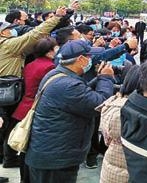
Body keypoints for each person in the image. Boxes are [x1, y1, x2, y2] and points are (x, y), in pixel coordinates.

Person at [25, 40, 116, 183]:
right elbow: (100, 104)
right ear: (81, 59)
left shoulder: (57, 74)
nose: (91, 61)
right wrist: (106, 78)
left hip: (50, 152)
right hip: (56, 159)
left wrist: (99, 78)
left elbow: (83, 93)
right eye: (90, 57)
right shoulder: (68, 85)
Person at [0, 6, 67, 169]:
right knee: (4, 127)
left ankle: (6, 158)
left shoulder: (18, 54)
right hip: (6, 92)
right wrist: (56, 17)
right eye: (10, 30)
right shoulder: (8, 45)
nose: (13, 31)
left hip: (7, 92)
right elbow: (34, 35)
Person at [11, 38, 57, 183]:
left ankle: (23, 178)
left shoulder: (30, 65)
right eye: (54, 48)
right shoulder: (50, 67)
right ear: (49, 51)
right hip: (36, 110)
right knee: (33, 150)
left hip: (23, 108)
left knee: (24, 148)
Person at [99, 65, 141, 183]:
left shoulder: (111, 103)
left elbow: (107, 140)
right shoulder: (127, 111)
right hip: (127, 172)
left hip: (111, 168)